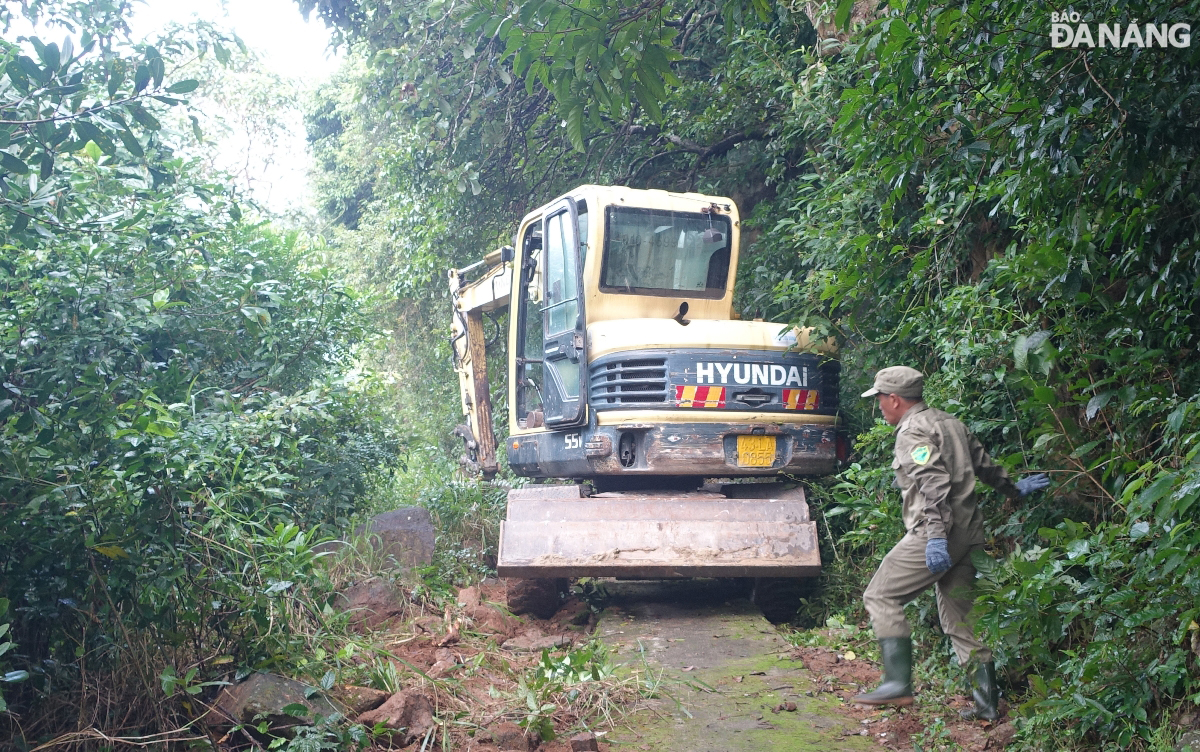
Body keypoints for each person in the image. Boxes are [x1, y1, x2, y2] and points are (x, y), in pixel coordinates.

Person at [853, 366, 1049, 720]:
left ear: (894, 399)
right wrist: (1013, 488)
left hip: (937, 534)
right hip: (969, 535)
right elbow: (985, 466)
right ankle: (987, 707)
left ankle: (898, 684)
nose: (879, 406)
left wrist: (935, 541)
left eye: (880, 399)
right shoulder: (951, 423)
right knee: (961, 622)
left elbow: (933, 485)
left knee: (880, 595)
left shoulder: (912, 432)